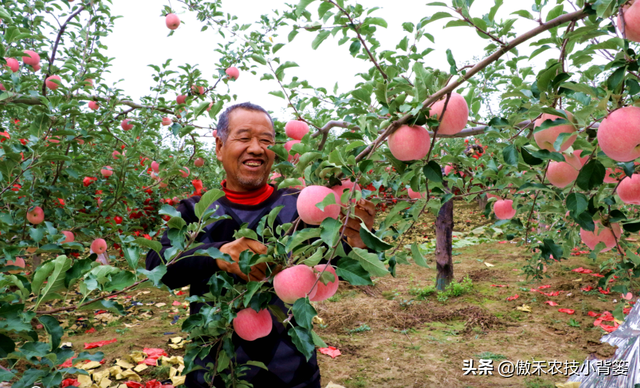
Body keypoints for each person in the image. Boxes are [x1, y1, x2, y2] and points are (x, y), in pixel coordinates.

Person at [146, 102, 375, 387]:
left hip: (292, 373)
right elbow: (158, 268)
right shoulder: (196, 211)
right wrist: (217, 256)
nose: (256, 148)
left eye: (266, 140)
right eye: (244, 138)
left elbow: (338, 265)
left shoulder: (302, 205)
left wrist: (358, 239)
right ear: (219, 146)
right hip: (214, 372)